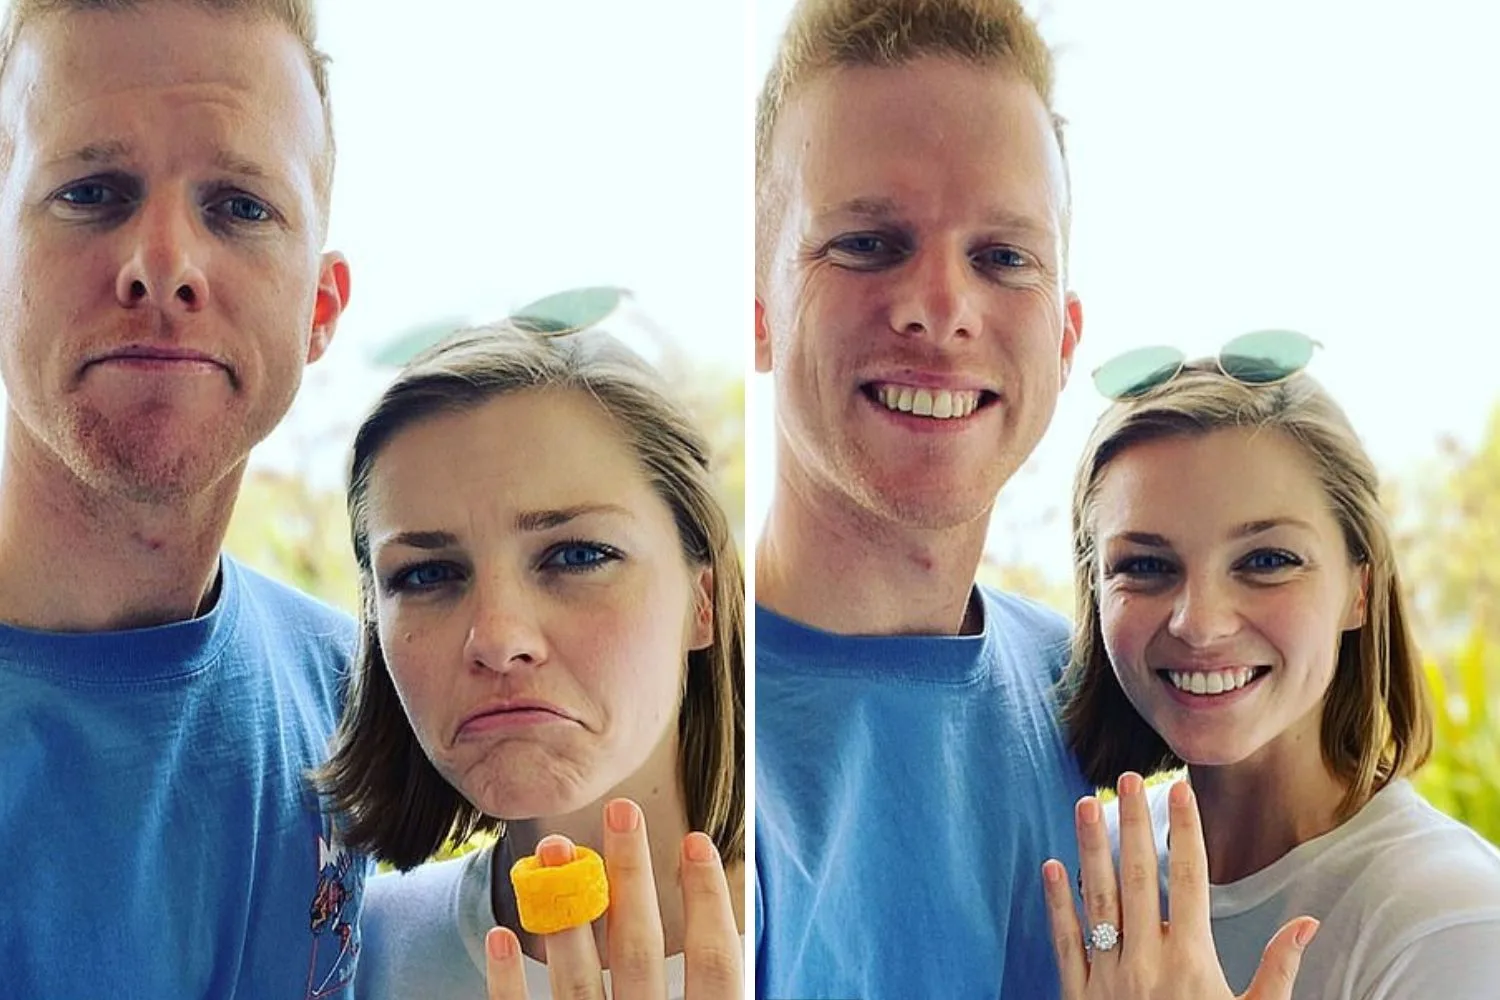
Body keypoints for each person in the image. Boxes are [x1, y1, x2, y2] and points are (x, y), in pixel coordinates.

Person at [0, 0, 363, 996]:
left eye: (241, 206)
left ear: (320, 309)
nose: (162, 264)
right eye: (92, 191)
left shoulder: (359, 697)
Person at [753, 0, 1091, 995]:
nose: (941, 308)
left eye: (1003, 258)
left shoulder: (1105, 701)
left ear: (1065, 337)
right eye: (867, 243)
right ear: (759, 310)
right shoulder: (671, 727)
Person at [1043, 339, 1500, 999]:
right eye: (1144, 566)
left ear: (1359, 589)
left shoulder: (1451, 922)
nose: (1199, 623)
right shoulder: (1085, 872)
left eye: (1267, 560)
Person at [315, 322, 745, 999]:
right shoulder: (353, 954)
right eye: (426, 576)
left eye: (577, 556)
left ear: (704, 603)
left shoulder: (841, 936)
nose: (495, 637)